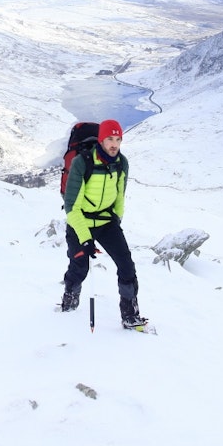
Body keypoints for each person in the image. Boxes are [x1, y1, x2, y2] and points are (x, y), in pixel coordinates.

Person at [59, 119, 146, 328]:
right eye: (109, 139)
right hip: (81, 221)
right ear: (101, 139)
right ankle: (69, 301)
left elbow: (120, 196)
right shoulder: (82, 162)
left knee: (126, 266)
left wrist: (116, 219)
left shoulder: (121, 163)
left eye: (118, 139)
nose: (114, 144)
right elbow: (71, 206)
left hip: (107, 222)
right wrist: (86, 238)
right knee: (79, 266)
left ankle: (130, 315)